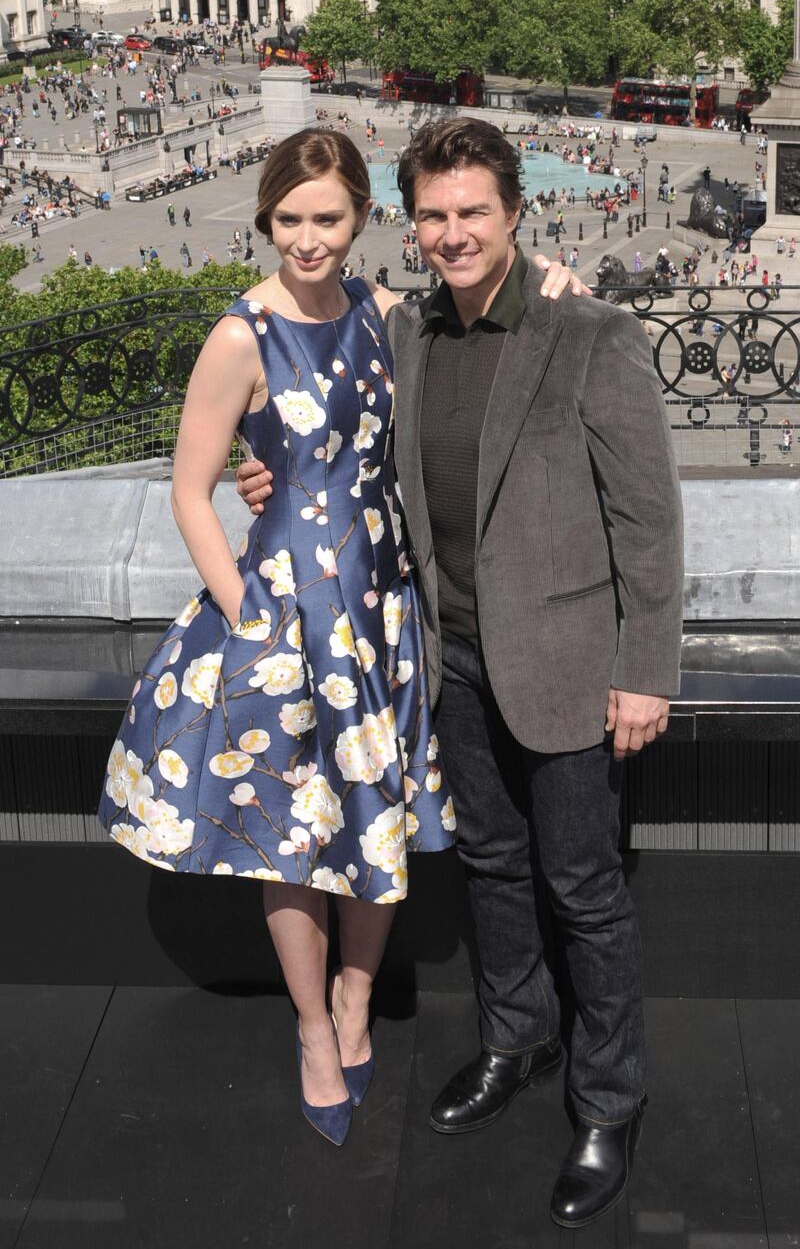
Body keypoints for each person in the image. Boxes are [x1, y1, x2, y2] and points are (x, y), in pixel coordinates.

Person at [237, 118, 684, 1227]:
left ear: (514, 212)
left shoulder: (590, 333)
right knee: (489, 866)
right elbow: (322, 424)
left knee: (583, 888)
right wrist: (265, 474)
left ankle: (608, 1099)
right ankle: (516, 1039)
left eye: (471, 211)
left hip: (571, 664)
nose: (451, 233)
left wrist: (644, 670)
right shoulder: (409, 335)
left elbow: (648, 520)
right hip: (452, 656)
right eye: (432, 215)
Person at [96, 128, 574, 1152]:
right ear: (265, 221)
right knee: (292, 840)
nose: (307, 241)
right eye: (288, 221)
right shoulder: (240, 335)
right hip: (286, 625)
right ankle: (315, 1027)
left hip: (382, 613)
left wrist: (552, 275)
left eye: (326, 219)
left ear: (360, 218)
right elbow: (188, 489)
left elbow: (486, 315)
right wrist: (246, 610)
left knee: (372, 824)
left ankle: (356, 997)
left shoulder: (385, 313)